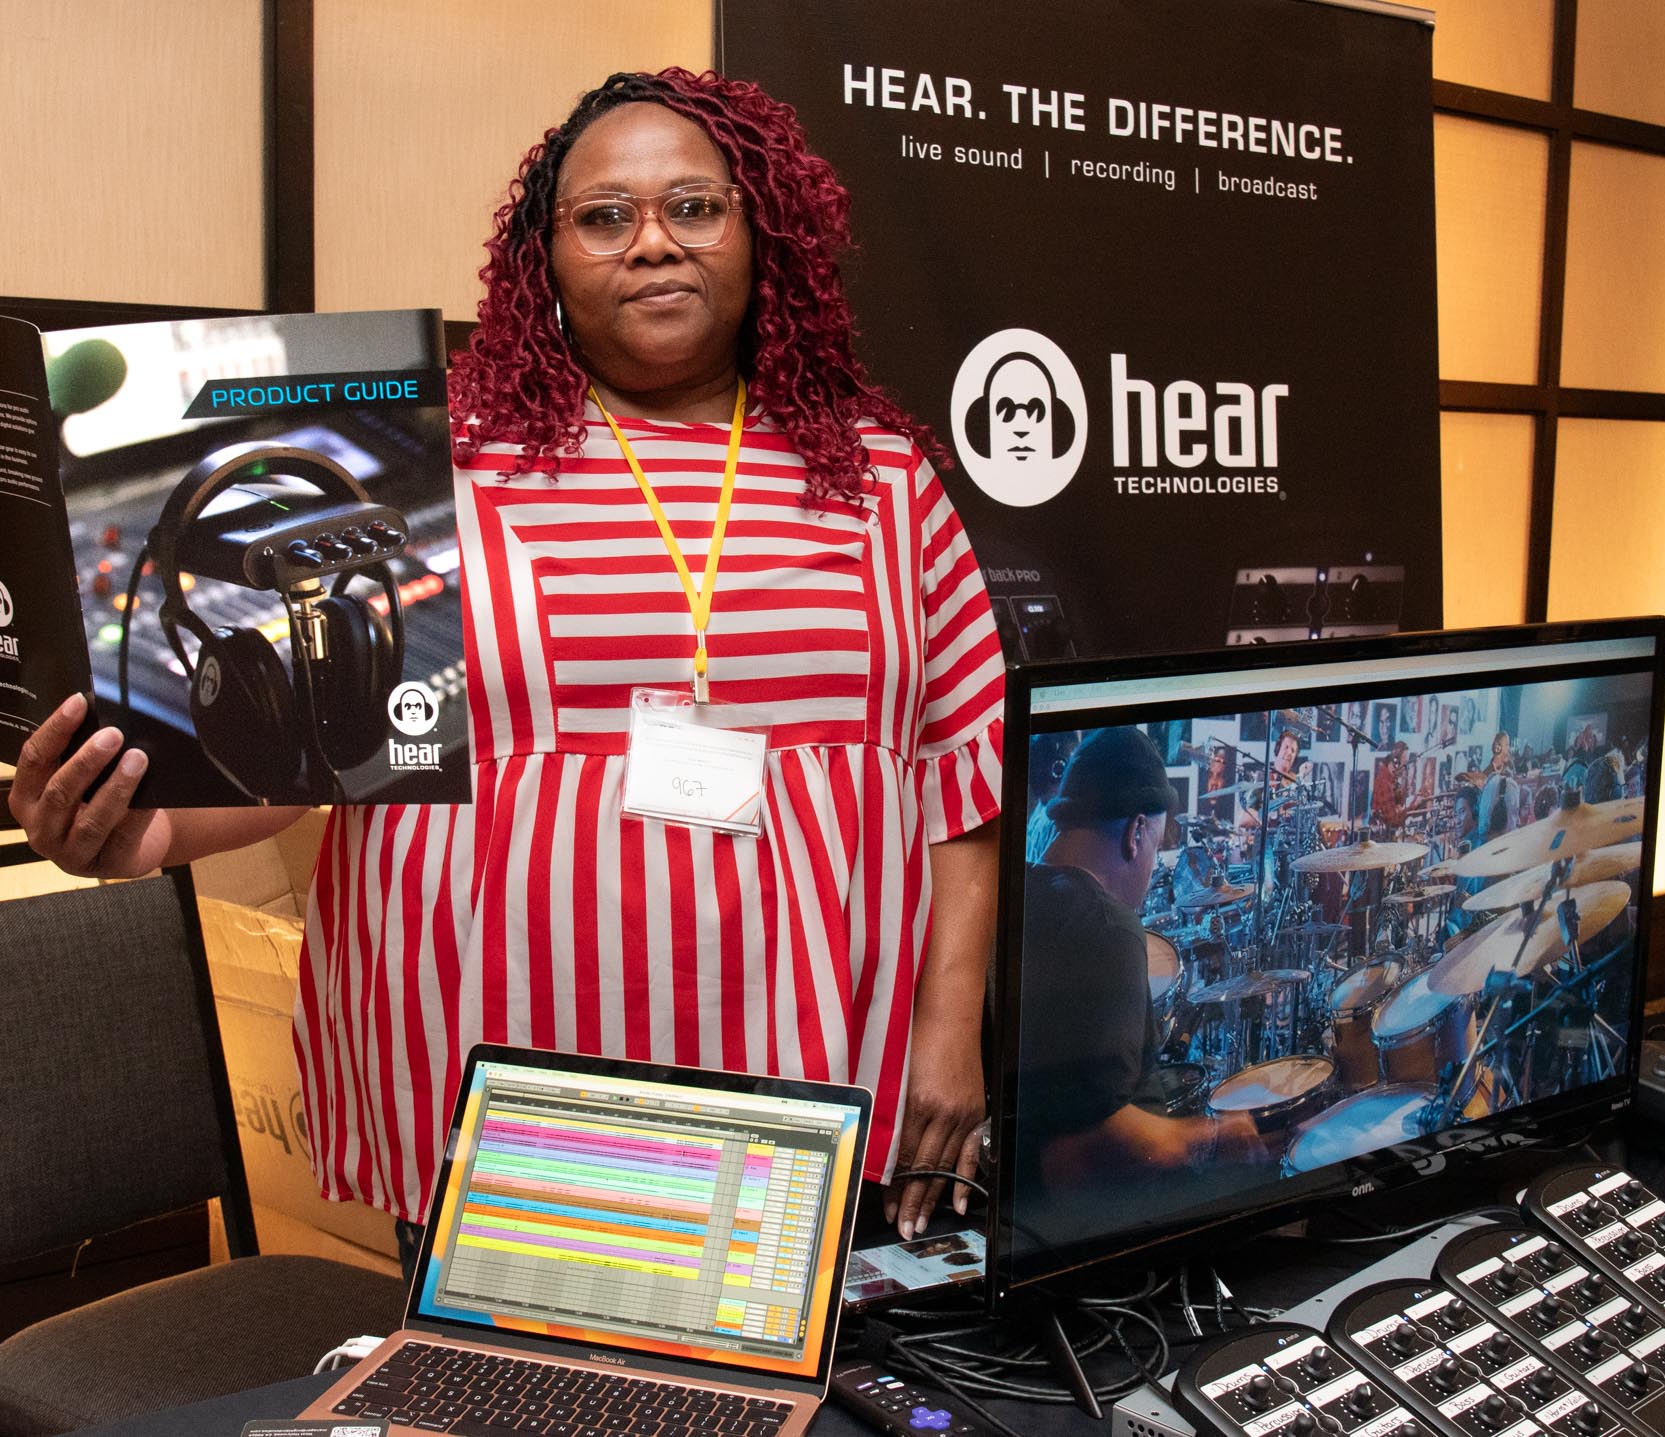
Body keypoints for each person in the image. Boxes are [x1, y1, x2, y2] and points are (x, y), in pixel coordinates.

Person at [8, 68, 1004, 1248]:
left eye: (695, 206)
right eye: (602, 216)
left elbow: (960, 776)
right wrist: (146, 831)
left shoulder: (879, 480)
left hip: (808, 1052)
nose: (650, 244)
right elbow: (339, 741)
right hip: (499, 1058)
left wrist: (948, 1029)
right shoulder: (444, 468)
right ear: (546, 257)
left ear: (760, 232)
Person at [1014, 728, 1275, 1239]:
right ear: (1136, 832)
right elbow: (1077, 1159)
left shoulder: (1022, 894)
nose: (1152, 865)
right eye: (1155, 845)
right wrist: (1210, 1138)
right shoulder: (1106, 928)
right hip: (1106, 1240)